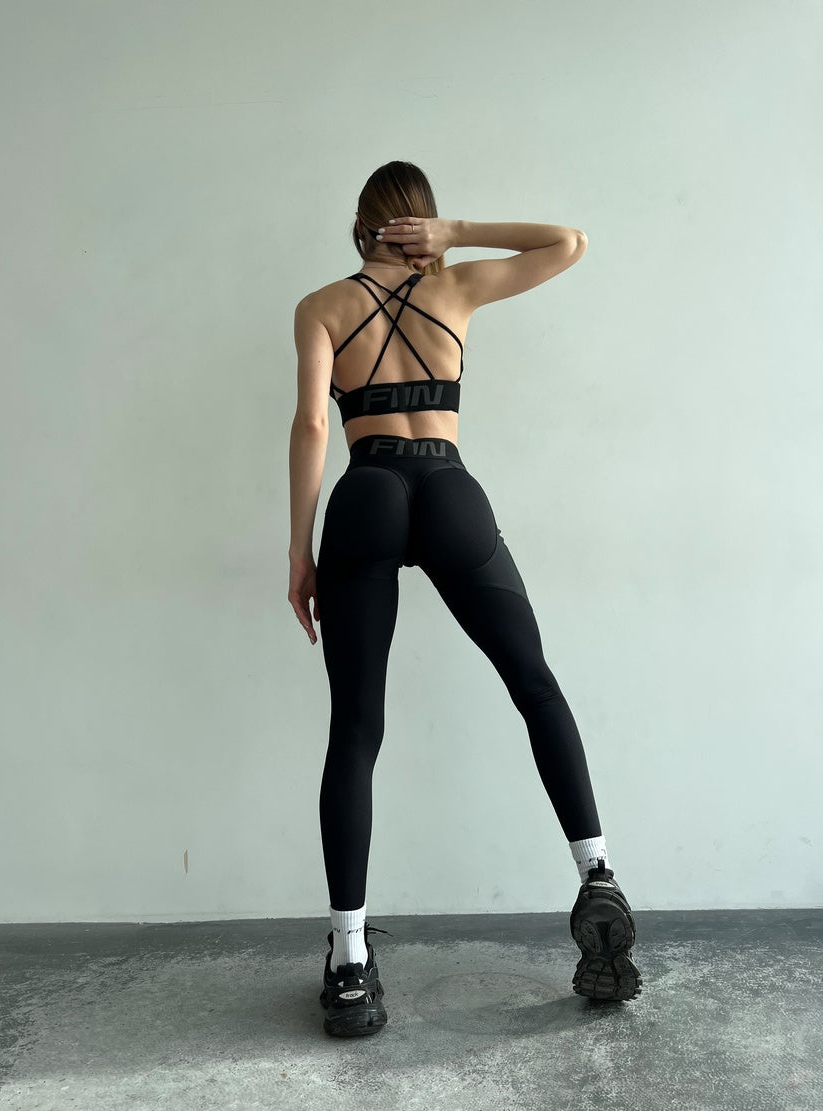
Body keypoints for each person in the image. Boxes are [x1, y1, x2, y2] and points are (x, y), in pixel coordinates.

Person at [288, 161, 642, 1038]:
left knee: (355, 729)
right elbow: (570, 242)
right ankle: (596, 873)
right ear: (421, 222)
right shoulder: (457, 287)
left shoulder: (321, 306)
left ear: (361, 224)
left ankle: (350, 961)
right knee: (535, 685)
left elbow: (313, 424)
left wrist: (300, 550)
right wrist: (458, 235)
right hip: (449, 489)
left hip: (366, 492)